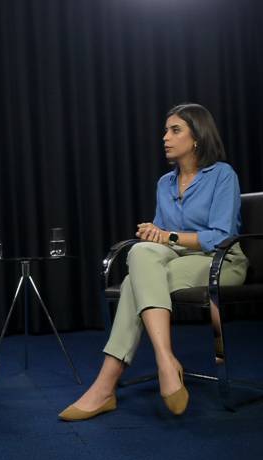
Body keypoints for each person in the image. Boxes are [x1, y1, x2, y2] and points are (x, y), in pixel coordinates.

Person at [59, 103, 249, 420]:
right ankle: (166, 360)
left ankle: (107, 386)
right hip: (178, 261)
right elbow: (161, 240)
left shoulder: (222, 175)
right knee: (140, 253)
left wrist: (168, 236)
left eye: (175, 130)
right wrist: (154, 233)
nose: (165, 137)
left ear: (197, 137)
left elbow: (220, 236)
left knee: (137, 282)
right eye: (165, 130)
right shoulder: (165, 183)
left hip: (222, 262)